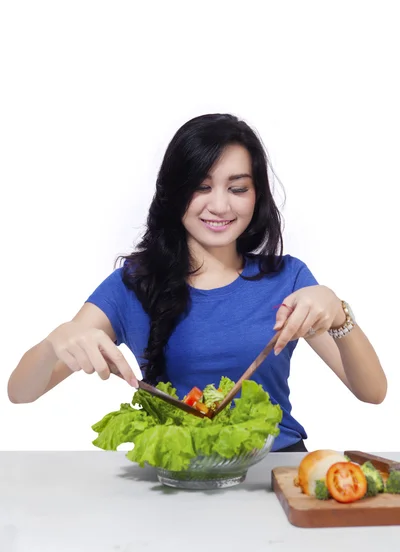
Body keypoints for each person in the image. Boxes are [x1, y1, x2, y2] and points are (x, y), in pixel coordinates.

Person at [7, 113, 387, 452]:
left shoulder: (288, 279)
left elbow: (372, 392)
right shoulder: (131, 284)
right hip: (174, 476)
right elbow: (21, 392)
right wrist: (56, 341)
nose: (220, 206)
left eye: (237, 188)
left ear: (256, 196)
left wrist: (337, 312)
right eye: (202, 187)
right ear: (174, 194)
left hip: (273, 474)